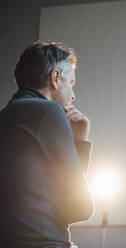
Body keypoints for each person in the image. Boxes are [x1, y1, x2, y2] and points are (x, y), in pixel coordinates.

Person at [0, 41, 94, 247]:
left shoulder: (6, 116)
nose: (73, 95)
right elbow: (80, 207)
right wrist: (81, 141)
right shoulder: (49, 111)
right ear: (55, 78)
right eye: (72, 83)